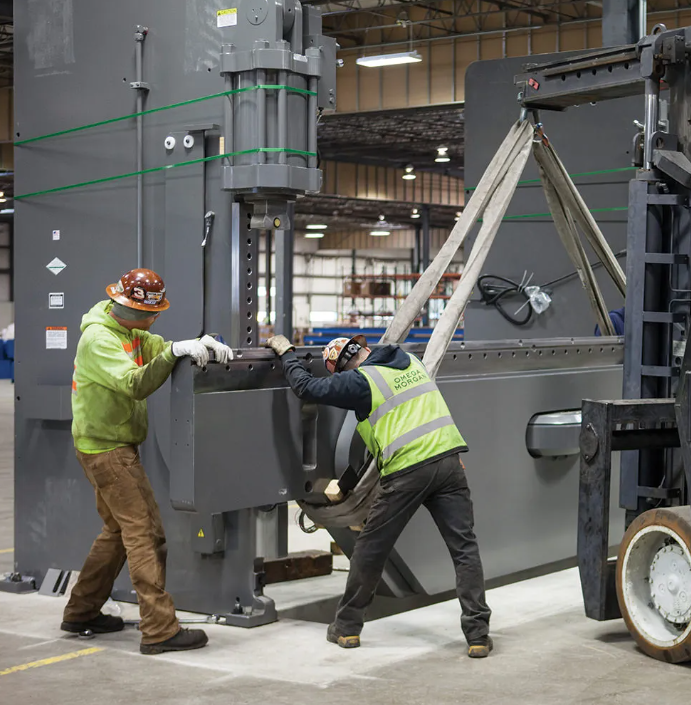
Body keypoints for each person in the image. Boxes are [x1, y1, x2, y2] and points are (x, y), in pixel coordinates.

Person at [265, 333, 492, 658]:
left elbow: (306, 388)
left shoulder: (361, 382)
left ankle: (346, 628)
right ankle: (478, 636)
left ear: (341, 371)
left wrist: (286, 352)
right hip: (450, 462)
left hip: (408, 471)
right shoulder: (410, 362)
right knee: (464, 550)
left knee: (371, 549)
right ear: (367, 349)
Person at [62, 268, 233, 653]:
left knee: (116, 533)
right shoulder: (100, 339)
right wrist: (174, 352)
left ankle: (82, 610)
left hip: (107, 446)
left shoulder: (130, 331)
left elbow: (158, 347)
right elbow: (135, 383)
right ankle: (159, 629)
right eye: (148, 314)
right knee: (146, 535)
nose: (154, 320)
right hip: (108, 451)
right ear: (126, 306)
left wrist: (193, 343)